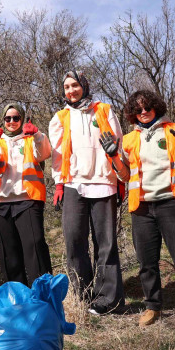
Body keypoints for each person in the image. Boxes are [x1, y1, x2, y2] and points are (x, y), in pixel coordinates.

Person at [103, 90, 175, 330]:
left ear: (156, 107)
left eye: (147, 107)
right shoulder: (129, 139)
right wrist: (113, 157)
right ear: (132, 113)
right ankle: (152, 306)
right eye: (138, 110)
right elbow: (125, 175)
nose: (143, 112)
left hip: (173, 202)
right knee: (146, 262)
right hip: (142, 207)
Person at [49, 70, 126, 315]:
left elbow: (119, 144)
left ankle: (107, 300)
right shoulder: (60, 117)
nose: (71, 91)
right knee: (74, 241)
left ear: (84, 85)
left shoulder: (103, 110)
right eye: (67, 87)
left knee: (105, 243)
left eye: (75, 85)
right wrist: (59, 183)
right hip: (74, 184)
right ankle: (83, 295)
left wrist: (120, 176)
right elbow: (57, 155)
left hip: (104, 182)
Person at [0, 103, 52, 286]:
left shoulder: (32, 138)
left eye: (16, 118)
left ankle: (42, 293)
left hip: (27, 200)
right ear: (3, 121)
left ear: (22, 119)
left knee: (35, 247)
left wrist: (37, 134)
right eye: (8, 118)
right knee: (8, 254)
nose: (12, 122)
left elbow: (44, 153)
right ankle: (17, 296)